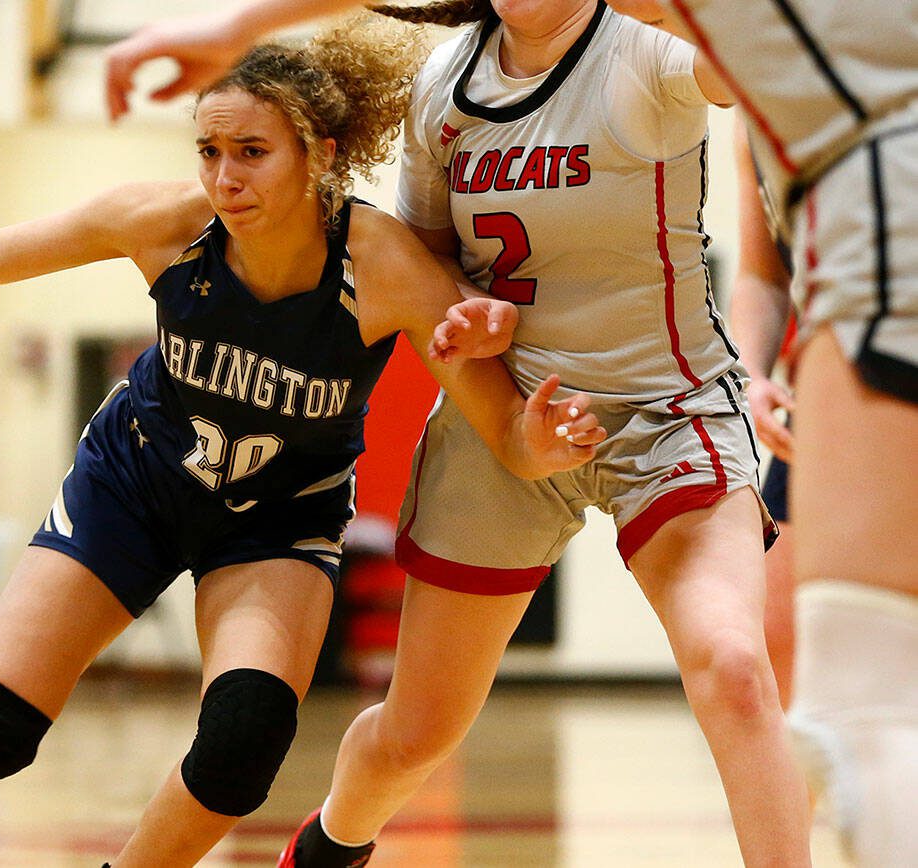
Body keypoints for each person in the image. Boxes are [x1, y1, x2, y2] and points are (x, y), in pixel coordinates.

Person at [0, 20, 607, 868]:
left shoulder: (388, 267)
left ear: (321, 156)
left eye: (252, 153)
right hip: (133, 484)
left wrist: (544, 444)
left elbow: (507, 437)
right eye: (210, 151)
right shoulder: (169, 227)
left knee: (243, 747)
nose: (226, 177)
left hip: (275, 522)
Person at [107, 2, 814, 866]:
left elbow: (753, 45)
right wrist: (473, 322)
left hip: (664, 413)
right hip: (505, 419)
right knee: (413, 734)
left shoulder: (654, 53)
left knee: (735, 669)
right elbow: (431, 266)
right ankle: (331, 844)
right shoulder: (444, 87)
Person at [602, 3, 918, 864]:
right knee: (795, 677)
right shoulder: (771, 115)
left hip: (879, 340)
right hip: (815, 380)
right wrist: (756, 373)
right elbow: (764, 271)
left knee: (865, 708)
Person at [728, 124, 796, 709]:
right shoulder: (756, 108)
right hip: (833, 389)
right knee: (777, 640)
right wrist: (752, 374)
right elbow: (762, 272)